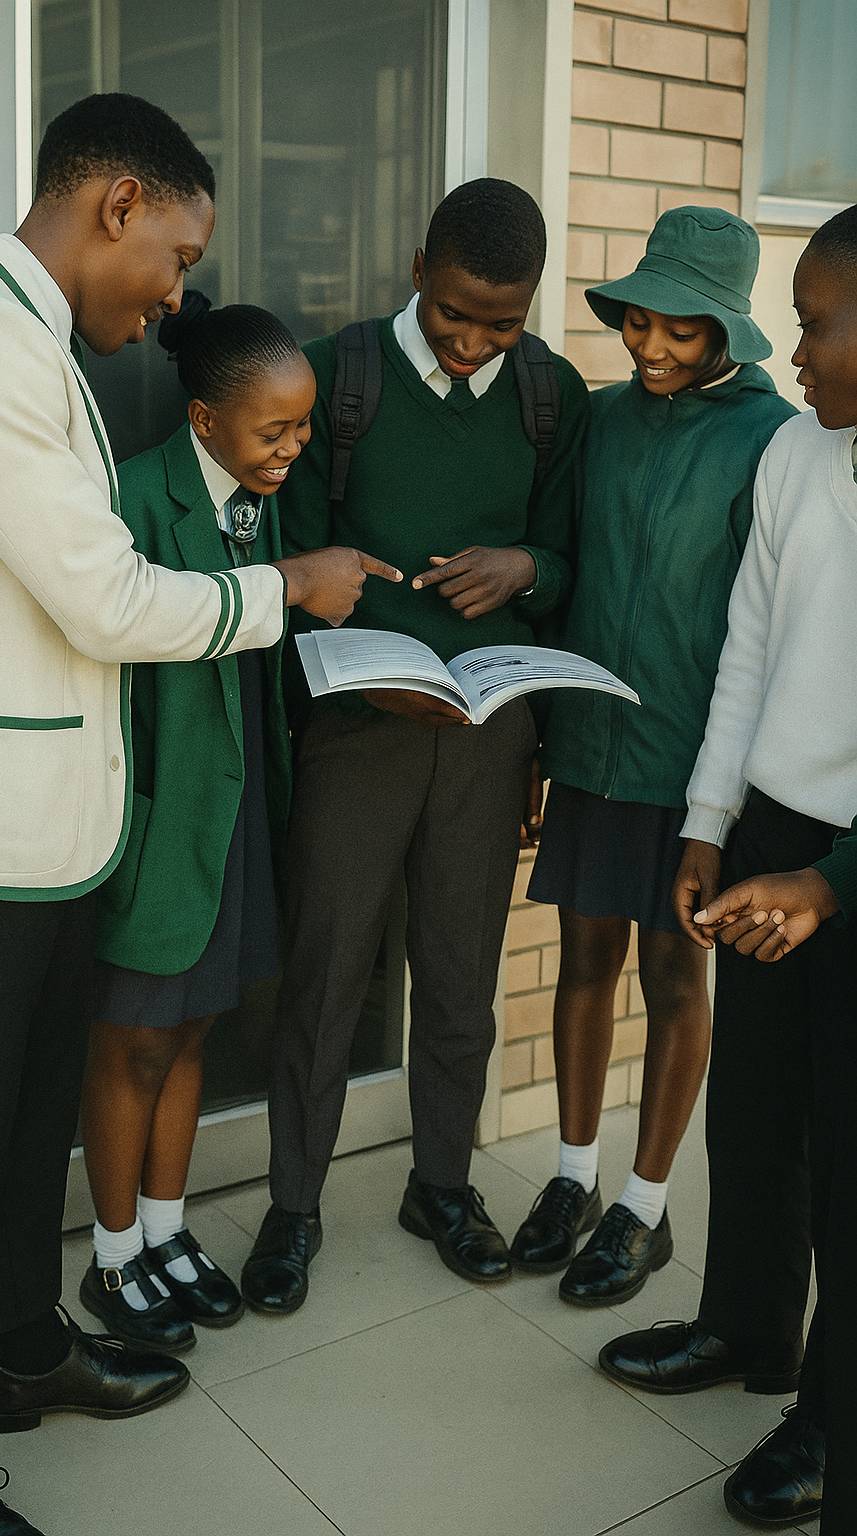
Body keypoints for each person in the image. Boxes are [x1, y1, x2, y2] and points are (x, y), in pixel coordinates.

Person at [0, 94, 396, 1536]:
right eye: (176, 256)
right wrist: (283, 590)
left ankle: (27, 1350)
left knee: (30, 1119)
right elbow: (100, 597)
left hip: (43, 830)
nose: (173, 296)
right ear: (116, 206)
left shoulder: (34, 340)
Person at [238, 178, 590, 1316]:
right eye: (453, 314)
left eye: (502, 323)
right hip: (358, 733)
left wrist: (527, 567)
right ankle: (293, 1207)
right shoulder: (334, 379)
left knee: (459, 975)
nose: (474, 343)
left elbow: (571, 564)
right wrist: (364, 673)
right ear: (416, 271)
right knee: (327, 970)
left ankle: (440, 1184)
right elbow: (289, 574)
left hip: (488, 737)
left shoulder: (549, 396)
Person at [598, 203, 857, 1532]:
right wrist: (710, 824)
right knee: (754, 1113)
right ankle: (746, 1327)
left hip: (848, 873)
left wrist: (833, 884)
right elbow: (748, 644)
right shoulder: (800, 454)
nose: (794, 353)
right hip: (770, 836)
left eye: (815, 325)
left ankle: (831, 1417)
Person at [509, 207, 797, 1306]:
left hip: (694, 768)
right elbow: (566, 569)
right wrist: (541, 737)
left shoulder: (771, 439)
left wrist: (728, 793)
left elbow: (770, 629)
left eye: (681, 329)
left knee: (675, 976)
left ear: (727, 329)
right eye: (639, 322)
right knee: (583, 961)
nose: (653, 347)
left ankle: (644, 1205)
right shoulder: (600, 418)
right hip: (590, 743)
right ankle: (573, 1178)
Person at [78, 302, 332, 1348]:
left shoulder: (263, 500)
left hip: (235, 813)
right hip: (157, 814)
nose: (293, 447)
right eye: (274, 431)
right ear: (204, 420)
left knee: (193, 1029)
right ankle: (112, 1256)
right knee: (133, 1039)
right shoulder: (134, 496)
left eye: (303, 426)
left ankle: (167, 1230)